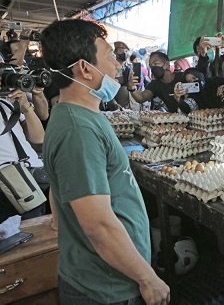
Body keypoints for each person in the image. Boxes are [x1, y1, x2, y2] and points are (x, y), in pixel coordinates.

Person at [40, 19, 170, 305]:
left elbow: (59, 193)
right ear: (85, 68)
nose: (118, 64)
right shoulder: (78, 130)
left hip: (102, 276)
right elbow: (98, 224)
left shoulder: (77, 116)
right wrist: (147, 278)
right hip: (105, 288)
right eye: (110, 55)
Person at [0, 85, 47, 223]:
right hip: (8, 187)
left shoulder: (5, 102)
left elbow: (38, 138)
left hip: (33, 176)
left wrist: (25, 104)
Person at [113, 41, 133, 109]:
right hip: (113, 97)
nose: (124, 53)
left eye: (126, 51)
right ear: (116, 53)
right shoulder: (111, 66)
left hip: (126, 101)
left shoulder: (128, 68)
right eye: (121, 51)